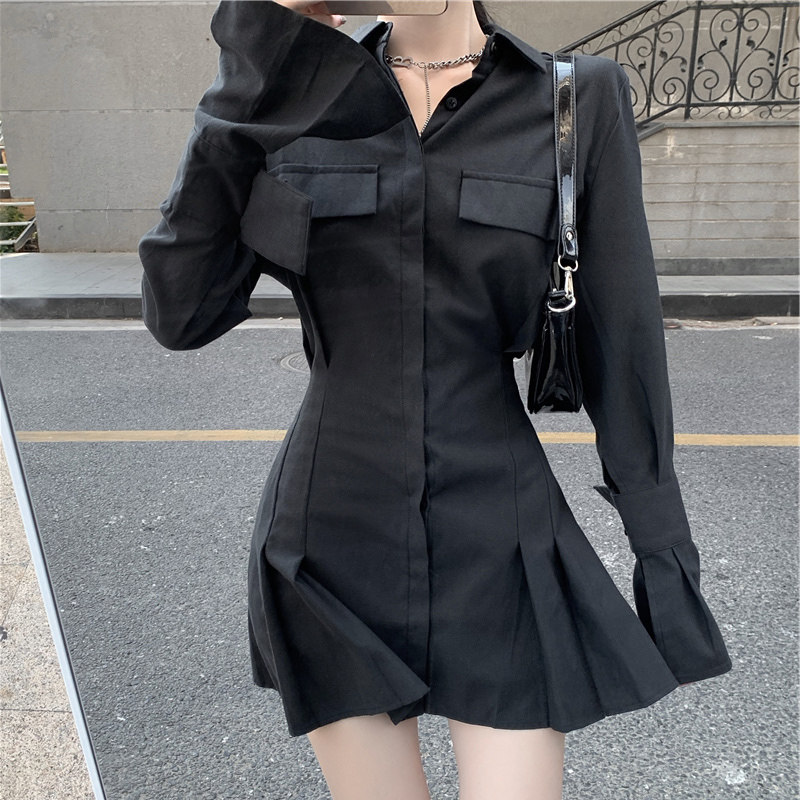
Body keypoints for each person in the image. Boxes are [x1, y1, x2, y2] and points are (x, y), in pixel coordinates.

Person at [138, 1, 733, 797]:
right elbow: (182, 314)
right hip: (328, 535)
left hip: (502, 530)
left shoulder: (574, 99)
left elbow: (621, 339)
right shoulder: (287, 100)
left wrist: (663, 559)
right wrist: (260, 49)